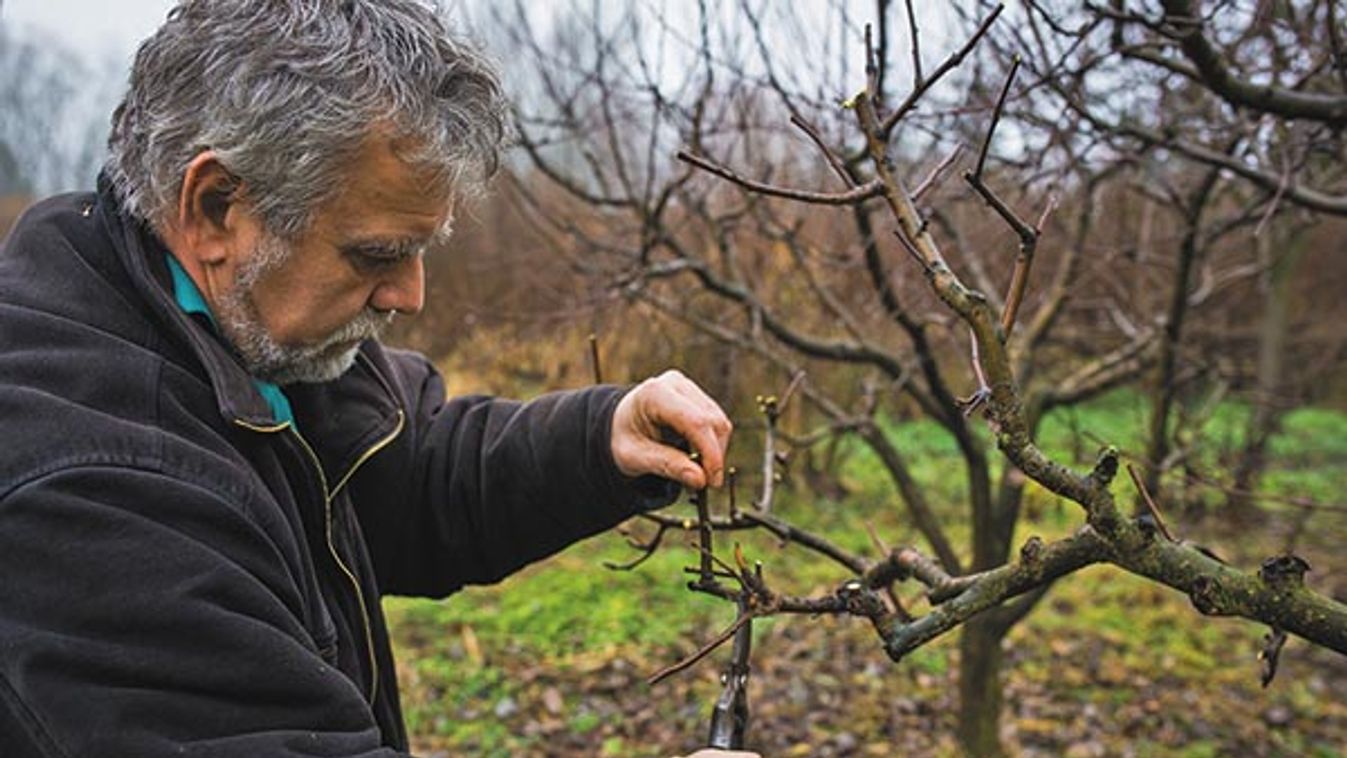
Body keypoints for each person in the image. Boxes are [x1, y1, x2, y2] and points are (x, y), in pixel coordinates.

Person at [0, 2, 756, 756]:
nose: (410, 295)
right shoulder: (88, 488)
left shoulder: (224, 318)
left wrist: (599, 438)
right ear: (216, 207)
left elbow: (402, 468)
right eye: (375, 254)